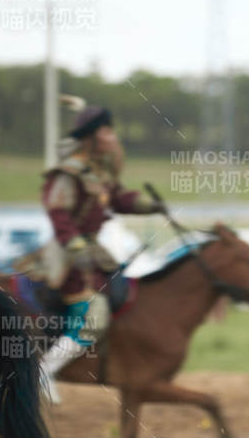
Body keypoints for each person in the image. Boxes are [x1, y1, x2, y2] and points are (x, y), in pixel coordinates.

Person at [36, 97, 164, 402]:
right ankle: (44, 368)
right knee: (94, 313)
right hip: (69, 255)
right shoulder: (69, 173)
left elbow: (118, 199)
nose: (112, 137)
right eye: (107, 131)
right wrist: (77, 247)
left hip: (92, 251)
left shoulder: (97, 172)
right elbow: (59, 213)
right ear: (92, 137)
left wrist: (150, 205)